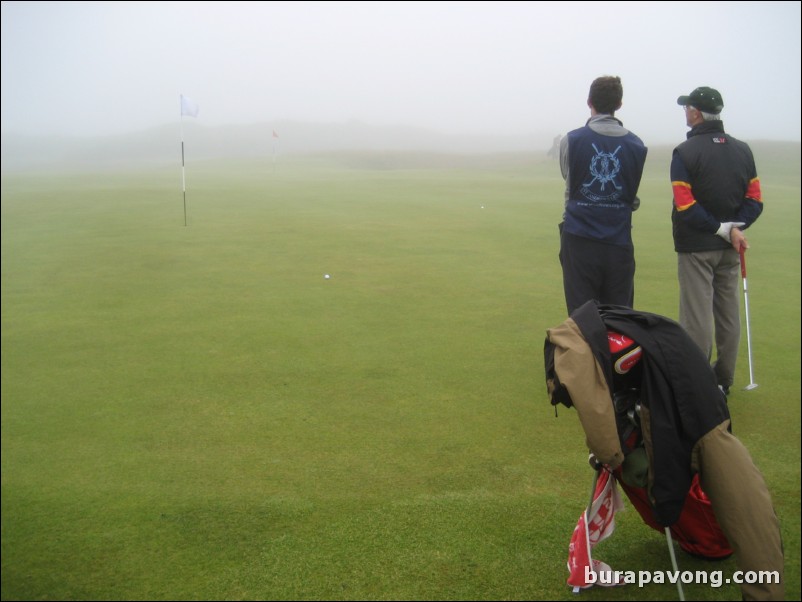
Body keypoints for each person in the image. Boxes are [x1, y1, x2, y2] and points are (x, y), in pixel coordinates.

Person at [671, 86, 763, 396]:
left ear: (696, 113)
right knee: (727, 314)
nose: (685, 112)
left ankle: (698, 384)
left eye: (687, 108)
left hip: (698, 247)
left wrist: (722, 228)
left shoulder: (684, 152)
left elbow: (684, 203)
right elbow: (755, 200)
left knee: (696, 318)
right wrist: (735, 227)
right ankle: (723, 380)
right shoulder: (742, 149)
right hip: (729, 248)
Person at [558, 76, 648, 314]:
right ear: (619, 104)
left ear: (589, 101)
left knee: (581, 317)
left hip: (579, 238)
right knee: (620, 318)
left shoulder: (572, 139)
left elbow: (569, 179)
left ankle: (586, 354)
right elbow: (631, 194)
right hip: (618, 240)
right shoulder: (637, 145)